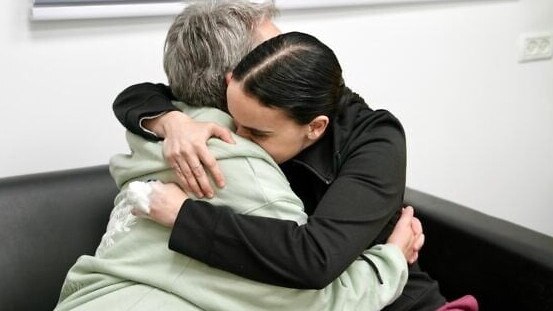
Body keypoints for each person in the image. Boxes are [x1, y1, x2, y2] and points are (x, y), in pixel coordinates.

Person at [54, 3, 423, 311]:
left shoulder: (371, 138)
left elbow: (313, 261)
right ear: (234, 78)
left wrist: (184, 216)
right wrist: (172, 121)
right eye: (270, 48)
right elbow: (137, 94)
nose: (280, 53)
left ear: (314, 126)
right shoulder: (214, 126)